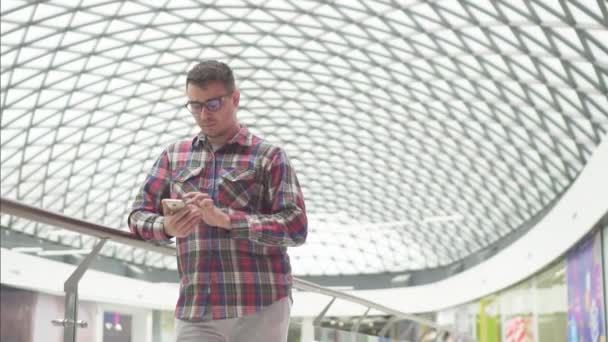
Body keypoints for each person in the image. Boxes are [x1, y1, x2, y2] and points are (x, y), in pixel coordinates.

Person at [128, 60, 308, 342]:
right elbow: (138, 214)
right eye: (195, 105)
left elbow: (295, 226)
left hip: (259, 304)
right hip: (197, 307)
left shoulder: (268, 156)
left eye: (212, 104)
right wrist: (167, 228)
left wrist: (226, 220)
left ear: (235, 99)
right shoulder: (174, 156)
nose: (203, 114)